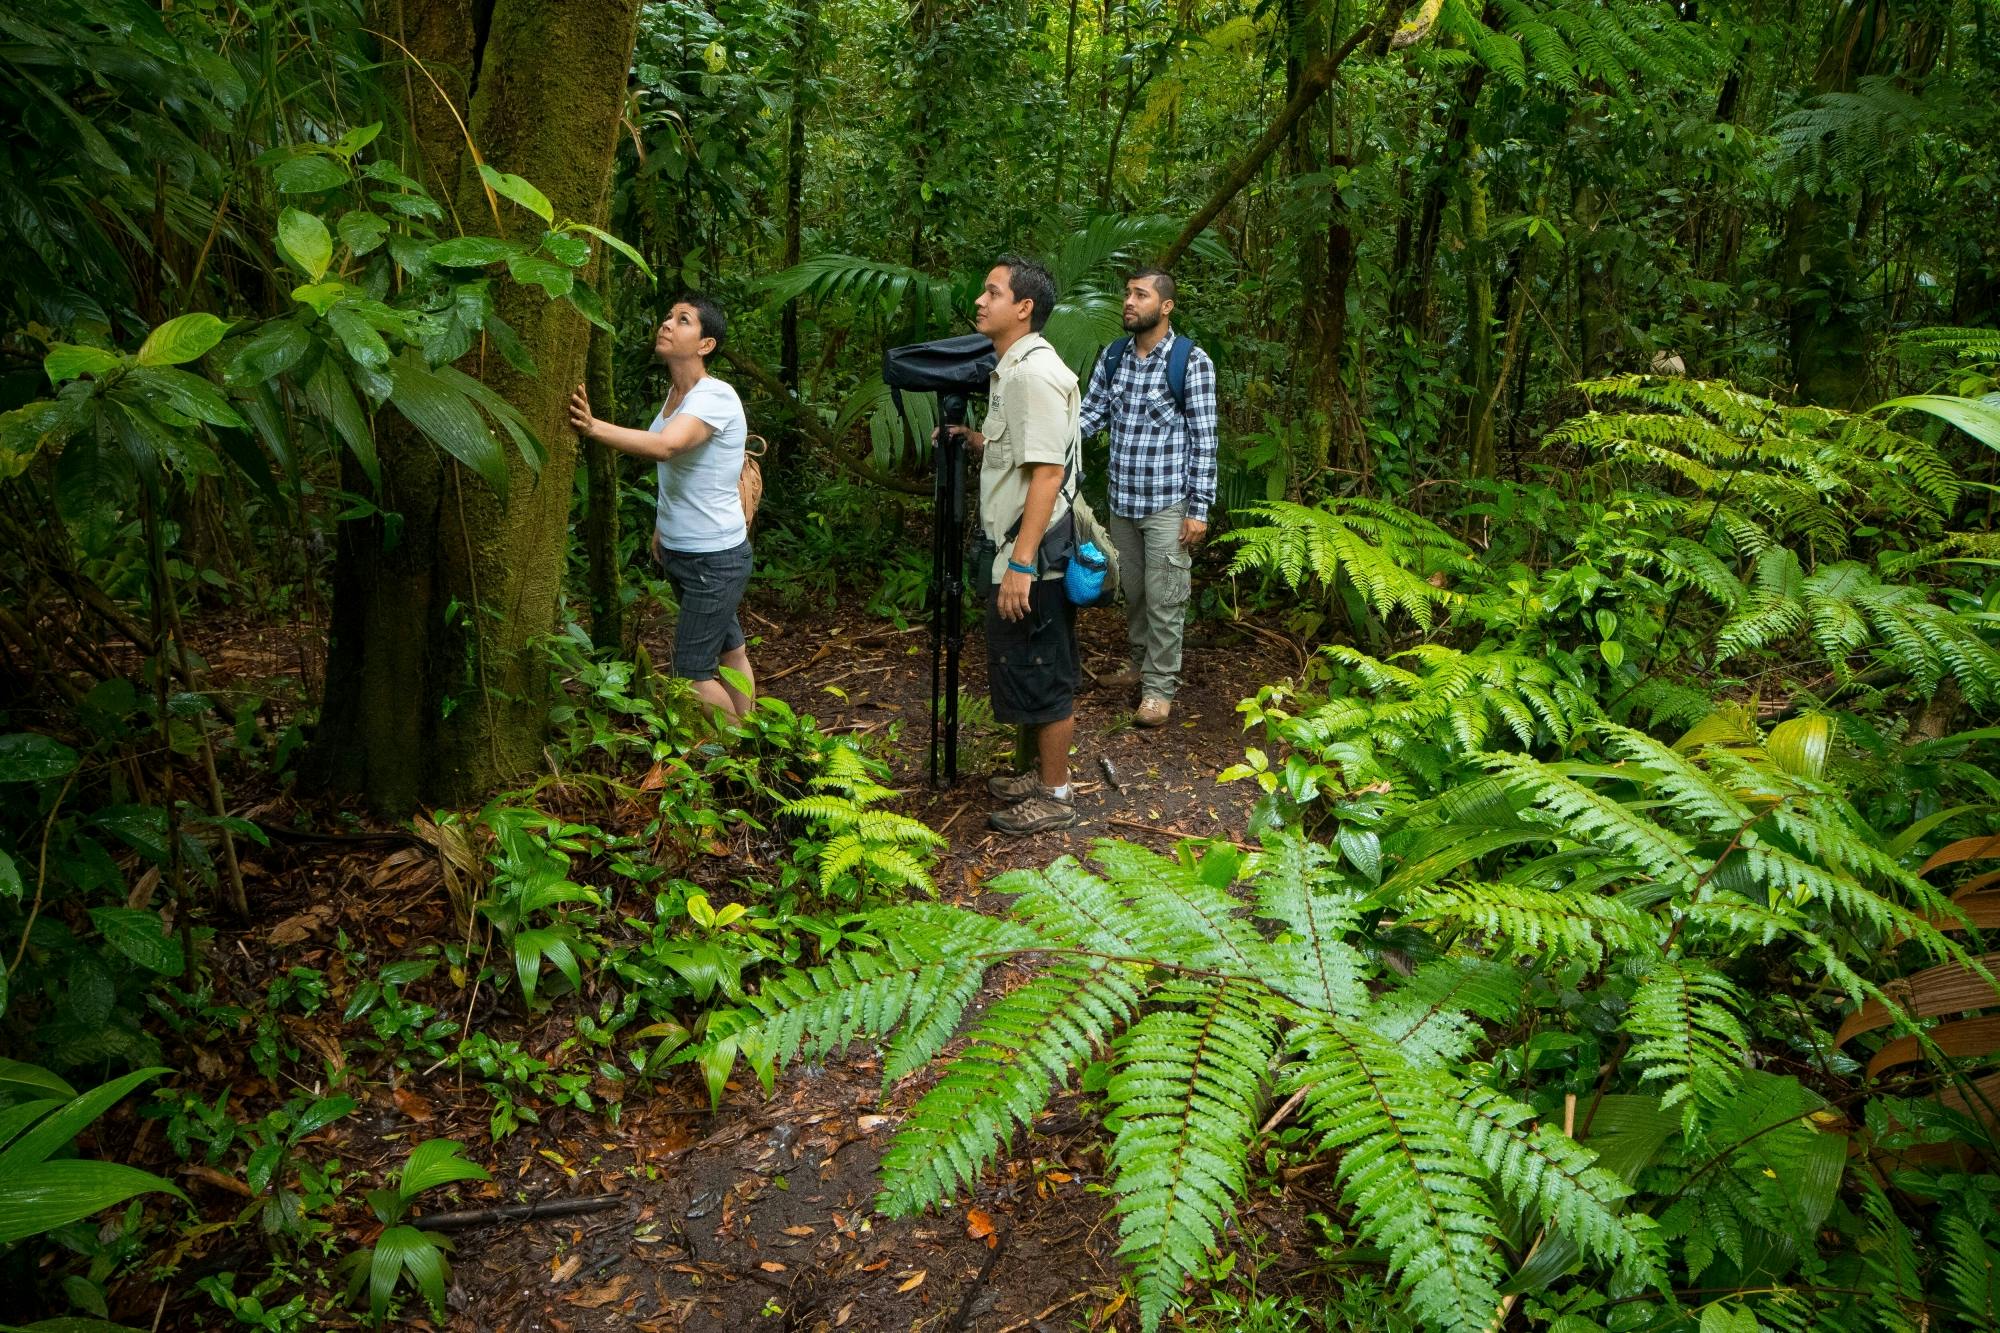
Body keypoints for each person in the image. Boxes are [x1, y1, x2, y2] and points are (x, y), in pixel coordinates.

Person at [567, 295, 757, 721]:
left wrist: (594, 427)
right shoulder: (676, 394)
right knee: (731, 650)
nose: (667, 324)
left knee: (691, 673)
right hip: (684, 552)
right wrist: (661, 528)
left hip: (714, 558)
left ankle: (742, 753)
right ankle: (752, 732)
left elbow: (667, 448)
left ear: (705, 345)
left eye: (683, 320)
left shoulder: (716, 397)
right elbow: (685, 478)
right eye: (669, 317)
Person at [956, 256, 1082, 834]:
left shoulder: (1032, 375)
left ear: (1024, 307)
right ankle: (1036, 774)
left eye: (993, 292)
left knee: (1044, 664)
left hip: (1034, 552)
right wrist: (977, 441)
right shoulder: (1012, 370)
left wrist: (1022, 564)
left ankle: (1056, 795)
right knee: (1024, 662)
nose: (981, 301)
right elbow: (1021, 454)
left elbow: (1048, 473)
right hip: (1020, 547)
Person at [1077, 267, 1218, 727]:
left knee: (1166, 597)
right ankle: (1138, 664)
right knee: (1134, 593)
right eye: (1128, 294)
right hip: (1123, 503)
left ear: (1166, 306)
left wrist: (1199, 509)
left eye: (1141, 295)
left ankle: (1159, 689)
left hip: (1167, 505)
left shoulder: (1189, 362)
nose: (1129, 302)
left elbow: (1205, 439)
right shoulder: (1114, 356)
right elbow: (1089, 416)